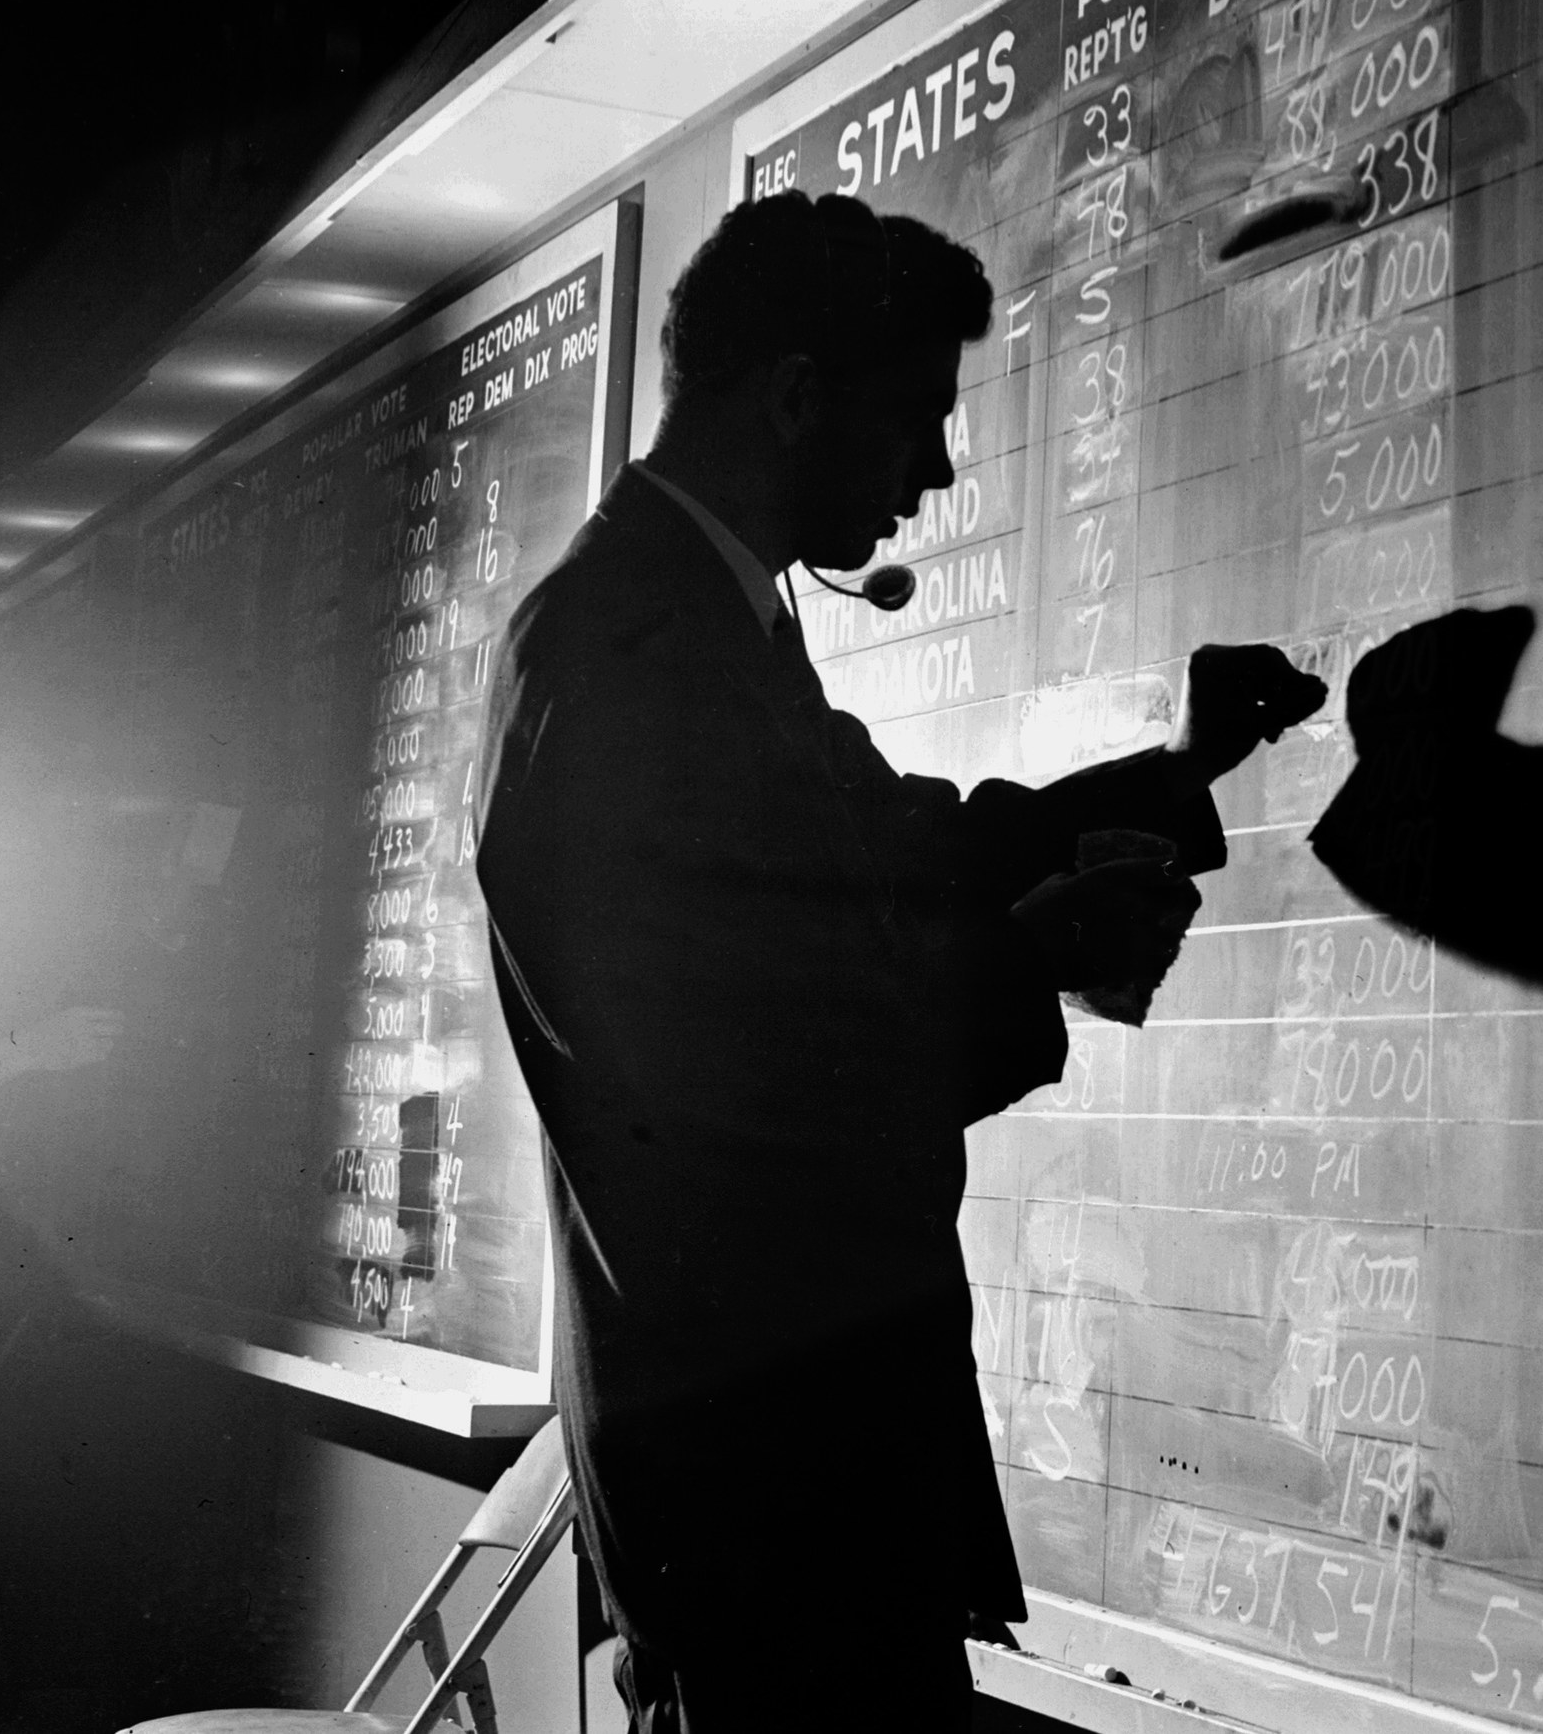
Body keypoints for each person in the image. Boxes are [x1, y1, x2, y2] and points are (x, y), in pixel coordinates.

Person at [475, 192, 1322, 1731]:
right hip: (772, 1511)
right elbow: (745, 1084)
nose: (935, 473)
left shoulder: (680, 625)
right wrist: (1038, 962)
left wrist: (1183, 769)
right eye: (919, 419)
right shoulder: (637, 655)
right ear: (796, 396)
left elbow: (905, 845)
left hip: (775, 1497)